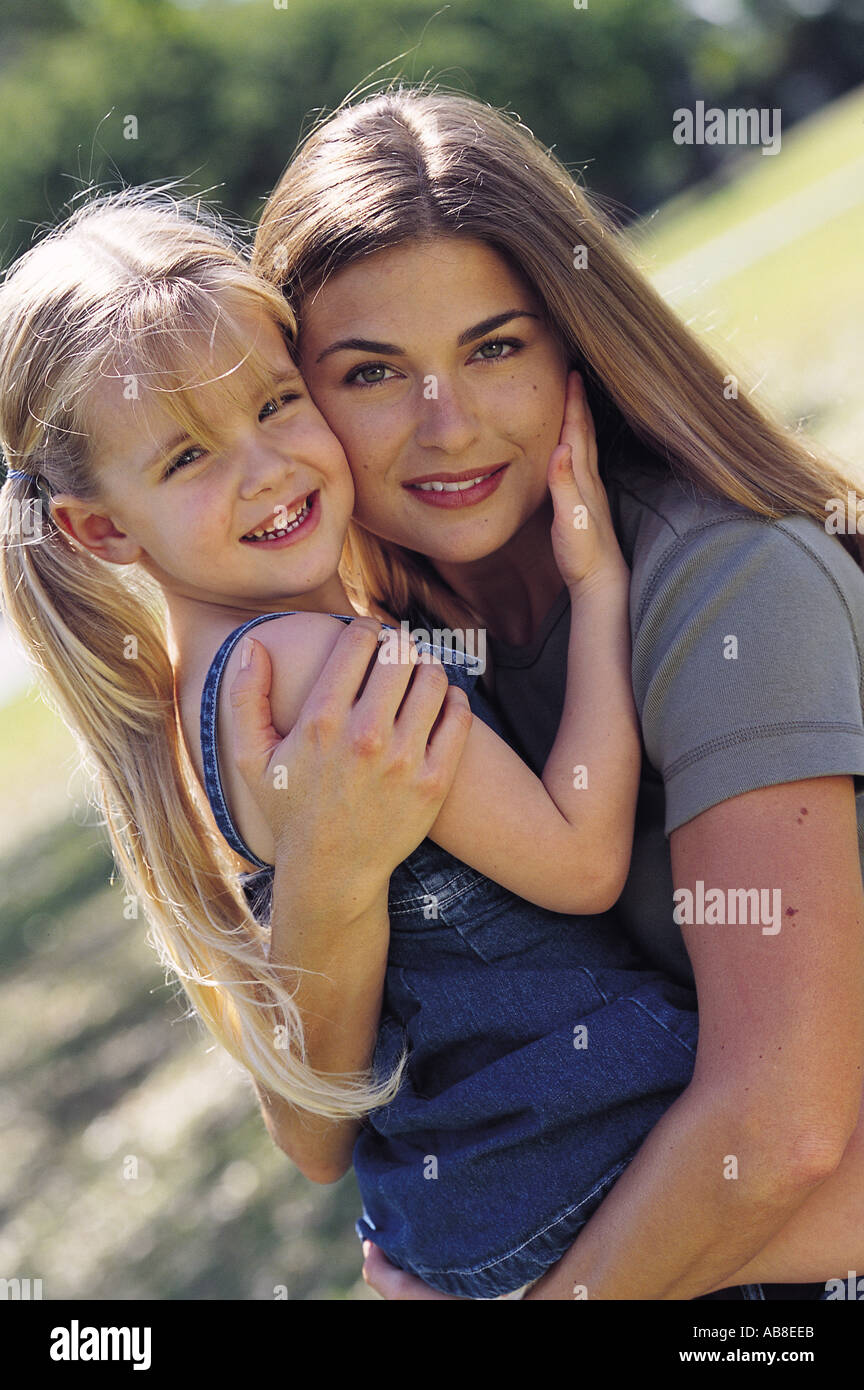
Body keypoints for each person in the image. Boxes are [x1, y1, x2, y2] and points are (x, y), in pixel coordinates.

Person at [0, 190, 744, 1299]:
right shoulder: (327, 670)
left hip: (466, 1201)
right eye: (188, 458)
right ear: (100, 529)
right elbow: (581, 856)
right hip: (581, 1154)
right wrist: (597, 584)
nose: (266, 469)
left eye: (277, 403)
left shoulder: (208, 688)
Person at [231, 86, 864, 1300]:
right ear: (297, 404)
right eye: (372, 373)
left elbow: (784, 1124)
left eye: (495, 347)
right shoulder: (380, 661)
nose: (446, 425)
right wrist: (327, 868)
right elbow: (314, 1135)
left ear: (577, 340)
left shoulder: (730, 584)